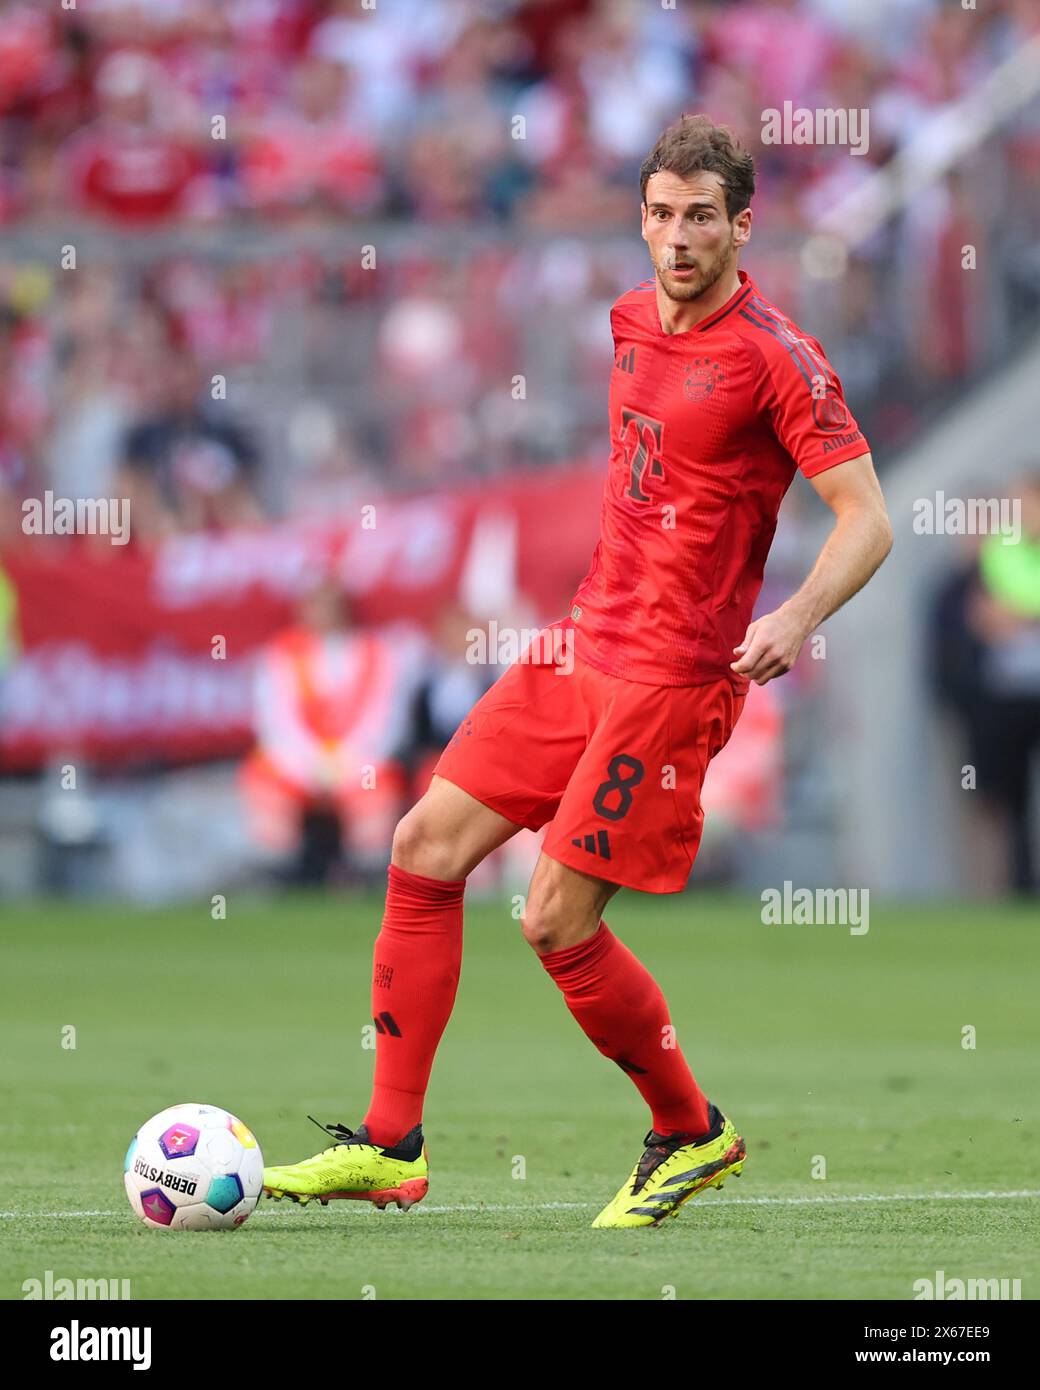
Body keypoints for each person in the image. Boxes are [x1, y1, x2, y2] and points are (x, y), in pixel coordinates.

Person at [263, 115, 893, 1228]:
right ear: (639, 219)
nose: (678, 235)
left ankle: (690, 1132)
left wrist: (793, 615)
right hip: (577, 646)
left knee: (552, 919)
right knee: (422, 845)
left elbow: (867, 521)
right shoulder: (626, 321)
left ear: (742, 225)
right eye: (659, 213)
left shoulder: (776, 359)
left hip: (670, 679)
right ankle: (389, 1145)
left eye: (702, 216)